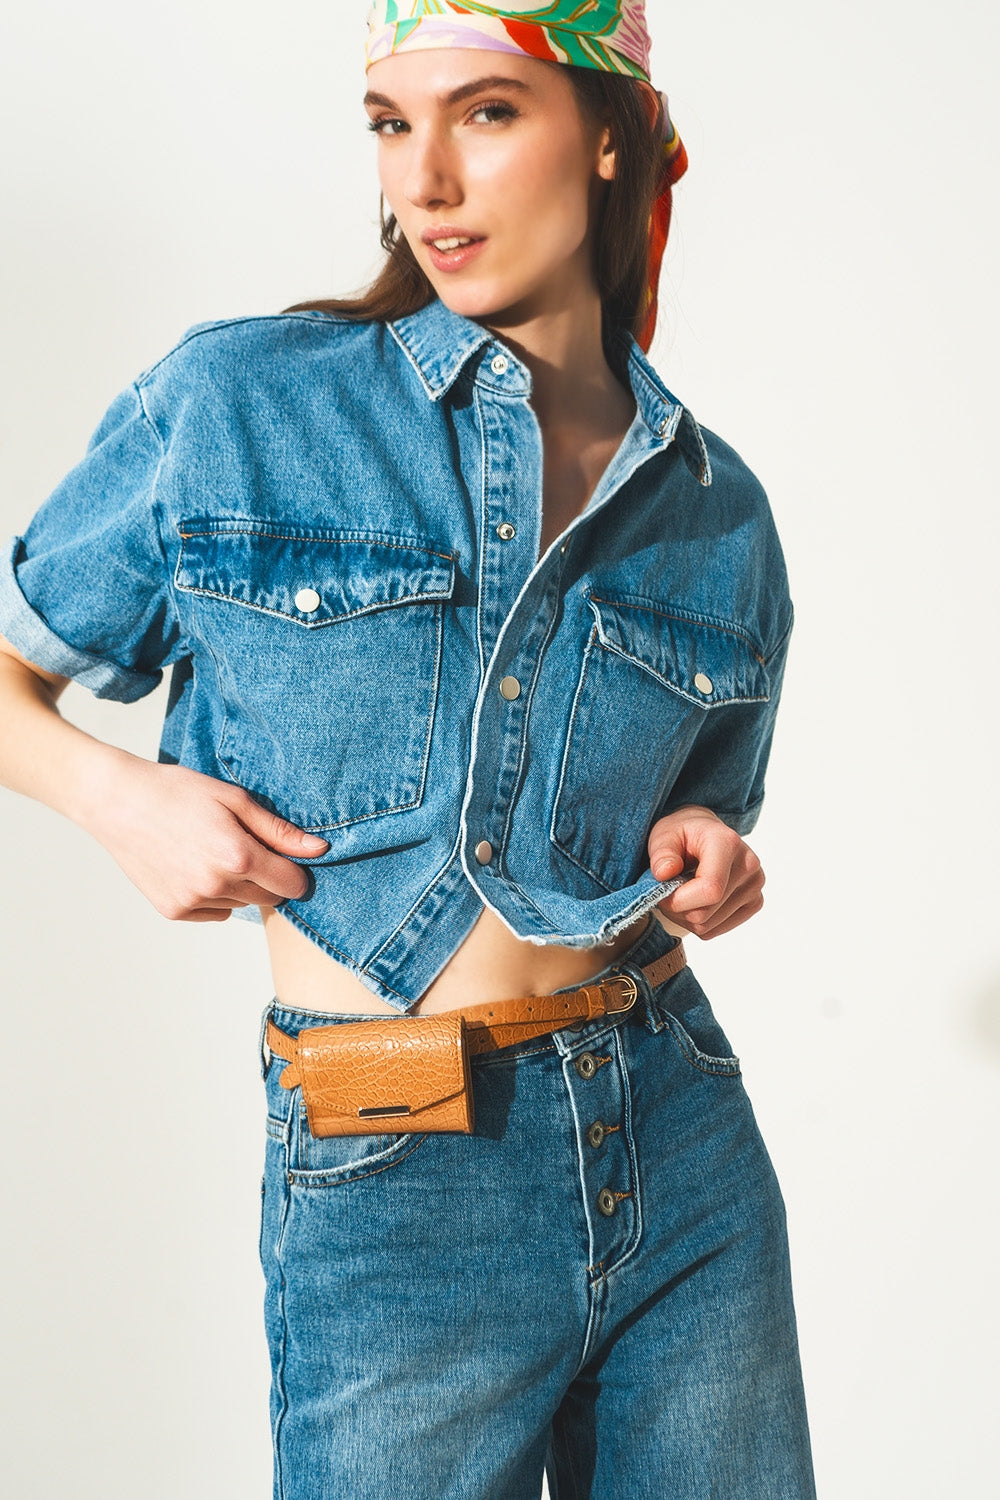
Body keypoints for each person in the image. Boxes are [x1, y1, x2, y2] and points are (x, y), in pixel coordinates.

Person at [0, 2, 817, 1496]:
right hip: (395, 1157)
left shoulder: (717, 509)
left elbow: (685, 822)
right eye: (390, 122)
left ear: (614, 129)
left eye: (488, 113)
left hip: (677, 1126)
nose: (422, 181)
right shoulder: (245, 404)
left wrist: (704, 859)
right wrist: (118, 796)